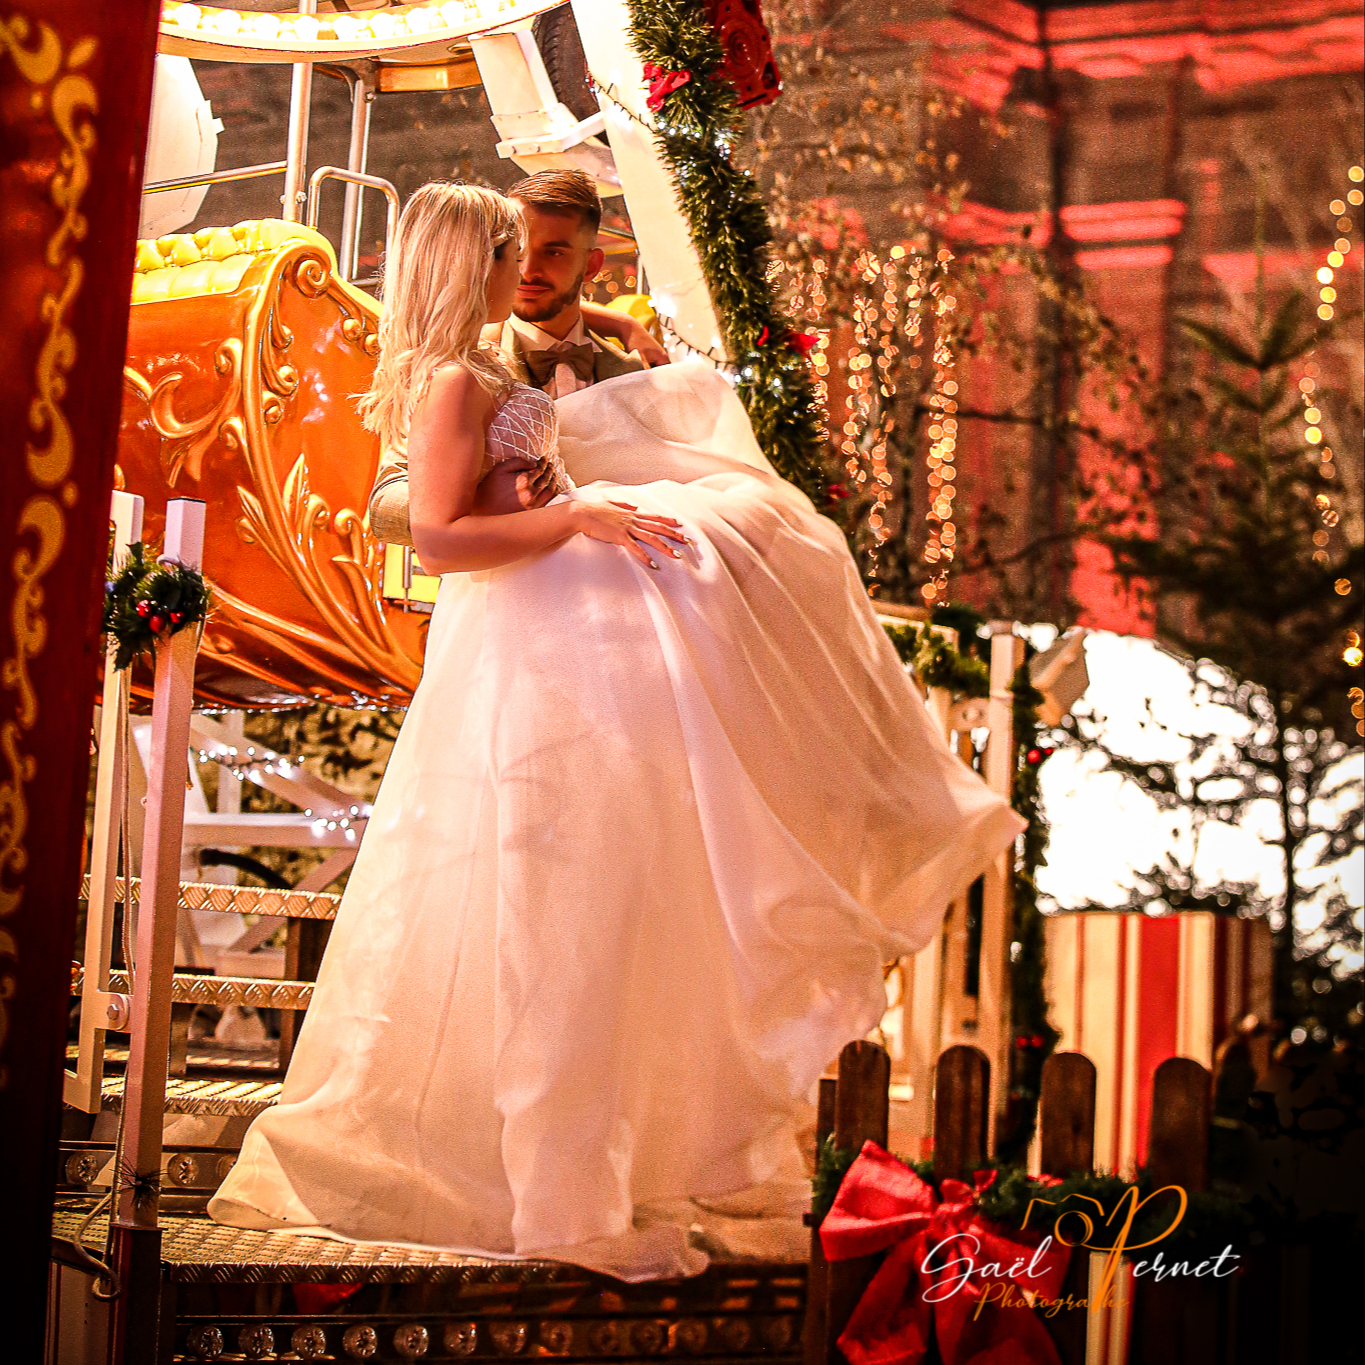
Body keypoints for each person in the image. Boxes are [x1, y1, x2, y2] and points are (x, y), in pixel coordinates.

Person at [209, 182, 1025, 1281]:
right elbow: (441, 531)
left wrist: (594, 430)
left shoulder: (515, 364)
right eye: (511, 251)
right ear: (479, 265)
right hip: (538, 644)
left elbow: (525, 461)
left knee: (757, 545)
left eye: (544, 252)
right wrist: (577, 512)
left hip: (572, 632)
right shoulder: (455, 379)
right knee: (561, 912)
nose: (525, 270)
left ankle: (656, 1159)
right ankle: (564, 1198)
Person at [369, 169, 665, 543]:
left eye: (553, 252)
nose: (528, 272)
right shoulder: (455, 364)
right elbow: (384, 505)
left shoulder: (637, 372)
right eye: (518, 253)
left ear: (591, 266)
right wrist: (474, 505)